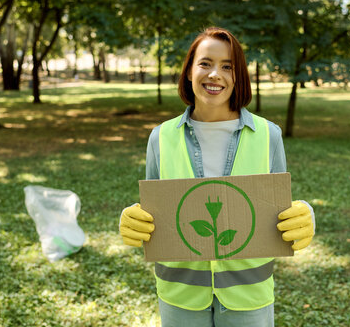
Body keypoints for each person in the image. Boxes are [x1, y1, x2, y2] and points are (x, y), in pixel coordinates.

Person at [119, 27, 315, 327]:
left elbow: (279, 209)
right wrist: (134, 217)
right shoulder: (160, 138)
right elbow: (155, 210)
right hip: (180, 294)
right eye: (205, 63)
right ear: (188, 71)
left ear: (238, 77)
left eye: (227, 67)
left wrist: (306, 214)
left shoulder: (268, 135)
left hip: (248, 294)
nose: (215, 75)